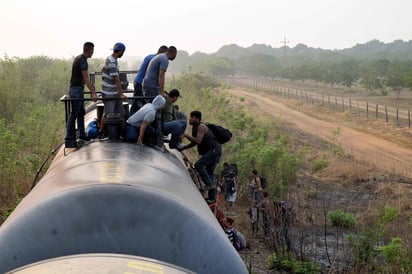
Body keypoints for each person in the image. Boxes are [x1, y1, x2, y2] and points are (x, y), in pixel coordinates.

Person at [180, 111, 222, 202]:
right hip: (213, 151)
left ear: (197, 119)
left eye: (192, 117)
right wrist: (184, 148)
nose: (190, 119)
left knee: (199, 165)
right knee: (209, 172)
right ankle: (212, 198)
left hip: (214, 150)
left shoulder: (201, 127)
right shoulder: (195, 128)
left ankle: (209, 185)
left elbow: (198, 141)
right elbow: (194, 142)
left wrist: (186, 135)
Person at [65, 42, 98, 148]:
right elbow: (86, 78)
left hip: (77, 89)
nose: (93, 52)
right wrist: (93, 92)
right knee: (74, 113)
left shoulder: (78, 58)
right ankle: (69, 138)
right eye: (93, 50)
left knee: (81, 113)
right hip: (76, 90)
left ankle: (82, 135)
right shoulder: (83, 61)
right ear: (90, 50)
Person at [99, 42, 128, 138]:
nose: (123, 54)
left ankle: (123, 132)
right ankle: (101, 132)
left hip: (114, 92)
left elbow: (103, 69)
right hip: (109, 93)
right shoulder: (111, 61)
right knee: (107, 114)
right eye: (123, 52)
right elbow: (116, 79)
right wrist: (121, 94)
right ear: (120, 51)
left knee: (121, 113)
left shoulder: (112, 59)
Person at [130, 45, 168, 112]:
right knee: (138, 103)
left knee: (139, 101)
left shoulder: (150, 57)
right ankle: (132, 118)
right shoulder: (155, 58)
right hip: (141, 82)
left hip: (138, 80)